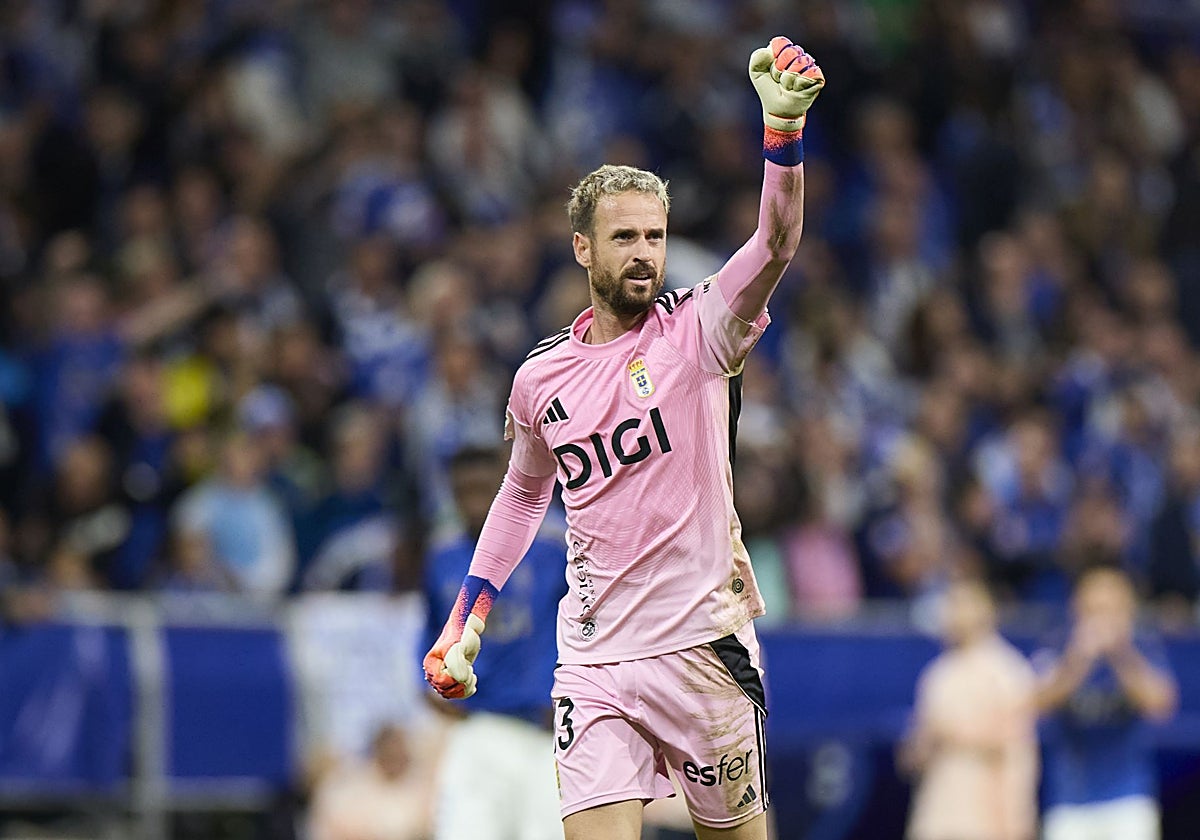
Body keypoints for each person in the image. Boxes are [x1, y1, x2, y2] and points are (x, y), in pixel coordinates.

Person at [422, 36, 825, 840]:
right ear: (583, 249)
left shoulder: (701, 332)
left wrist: (782, 139)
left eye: (655, 237)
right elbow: (524, 491)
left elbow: (775, 244)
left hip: (703, 644)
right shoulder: (542, 378)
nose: (645, 255)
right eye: (624, 239)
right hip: (595, 658)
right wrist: (468, 612)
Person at [423, 446, 567, 840]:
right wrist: (434, 690)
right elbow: (429, 637)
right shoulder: (443, 557)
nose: (471, 499)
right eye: (461, 490)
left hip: (546, 732)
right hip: (479, 728)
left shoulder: (554, 546)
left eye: (480, 488)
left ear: (503, 488)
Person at [1035, 565, 1178, 840]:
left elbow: (1161, 705)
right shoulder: (1058, 646)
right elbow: (1039, 703)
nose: (1101, 620)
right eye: (1093, 610)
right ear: (1076, 610)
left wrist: (1121, 655)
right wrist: (1078, 660)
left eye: (1110, 610)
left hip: (1128, 800)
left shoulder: (1141, 648)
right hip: (1070, 802)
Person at [899, 577, 1040, 840]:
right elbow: (915, 754)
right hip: (938, 813)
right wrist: (920, 745)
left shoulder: (1007, 671)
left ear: (987, 610)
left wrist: (1016, 823)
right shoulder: (937, 674)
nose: (953, 612)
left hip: (986, 819)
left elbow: (1017, 753)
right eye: (951, 604)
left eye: (963, 604)